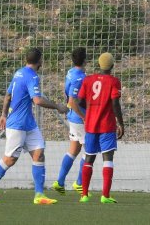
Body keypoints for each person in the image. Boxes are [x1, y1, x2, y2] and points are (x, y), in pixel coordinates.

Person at [0, 48, 68, 204]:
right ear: (40, 61)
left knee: (39, 153)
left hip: (28, 123)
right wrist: (58, 106)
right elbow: (38, 100)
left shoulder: (18, 72)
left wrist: (3, 114)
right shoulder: (32, 76)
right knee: (10, 160)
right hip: (18, 124)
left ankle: (39, 195)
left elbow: (8, 95)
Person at [78, 52, 124, 204]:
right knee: (108, 159)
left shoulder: (88, 80)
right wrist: (121, 123)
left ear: (99, 64)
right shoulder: (114, 81)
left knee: (89, 158)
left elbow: (80, 102)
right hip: (107, 125)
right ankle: (105, 195)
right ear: (112, 65)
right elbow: (115, 104)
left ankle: (84, 194)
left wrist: (91, 109)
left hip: (91, 125)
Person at [52, 47, 88, 195]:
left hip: (73, 117)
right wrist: (84, 117)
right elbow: (73, 101)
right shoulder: (80, 77)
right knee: (89, 151)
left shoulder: (71, 72)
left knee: (74, 150)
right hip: (79, 119)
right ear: (85, 59)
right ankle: (79, 183)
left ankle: (60, 182)